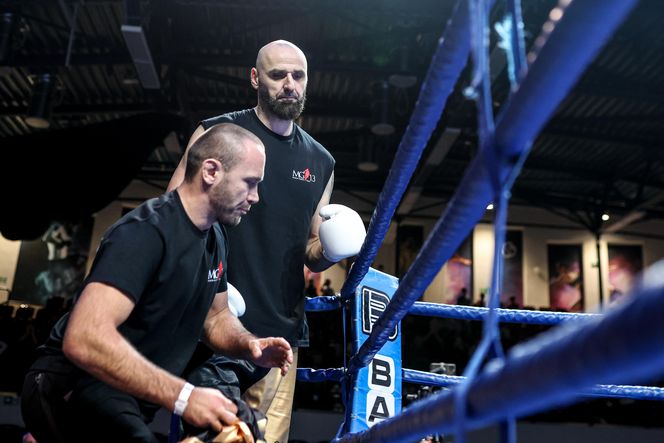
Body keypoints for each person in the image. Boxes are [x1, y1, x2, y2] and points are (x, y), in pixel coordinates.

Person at [21, 123, 293, 443]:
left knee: (236, 425)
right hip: (74, 386)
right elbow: (83, 338)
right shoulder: (146, 231)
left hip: (128, 396)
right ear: (211, 171)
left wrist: (248, 344)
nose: (256, 197)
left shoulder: (215, 236)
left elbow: (215, 317)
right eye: (250, 183)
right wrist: (184, 396)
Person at [167, 40, 366, 443]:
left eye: (298, 75)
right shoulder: (216, 134)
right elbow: (171, 216)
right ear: (256, 78)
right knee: (207, 435)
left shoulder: (321, 160)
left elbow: (311, 250)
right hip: (212, 325)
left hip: (279, 335)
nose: (289, 84)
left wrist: (329, 249)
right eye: (278, 75)